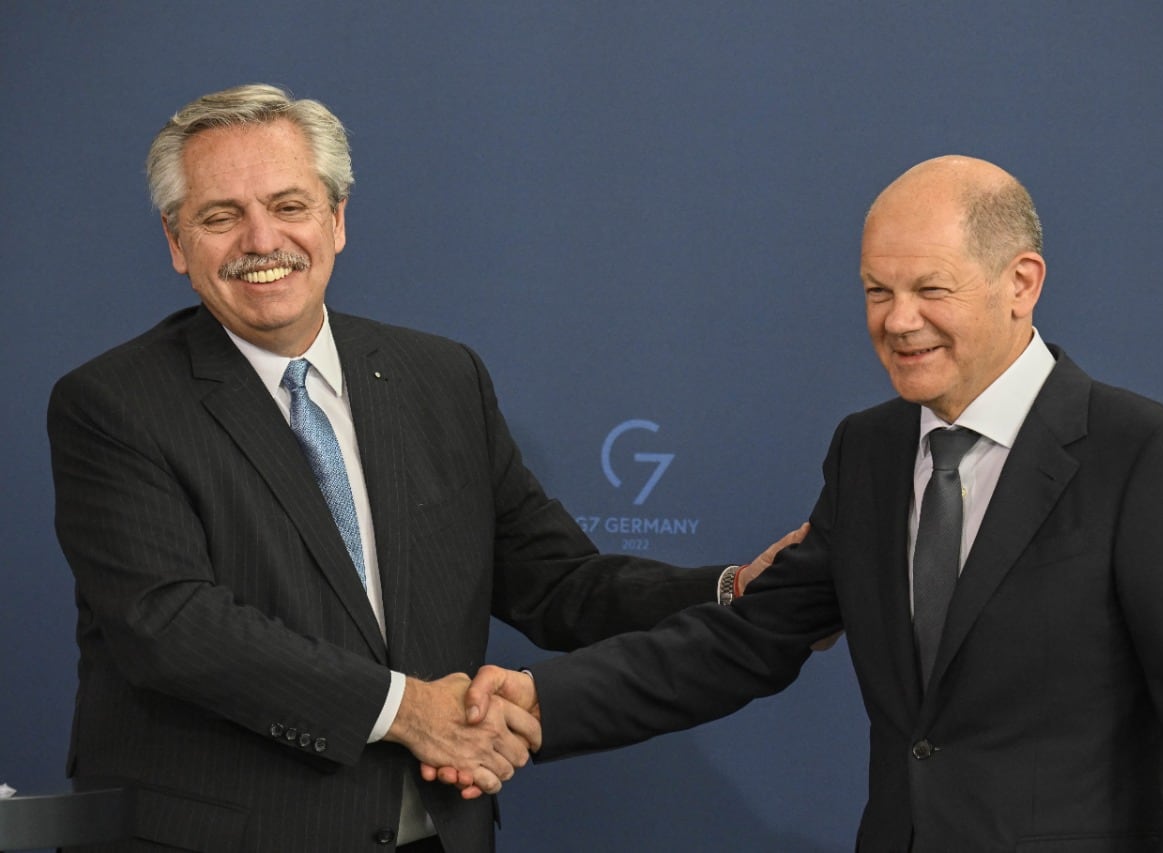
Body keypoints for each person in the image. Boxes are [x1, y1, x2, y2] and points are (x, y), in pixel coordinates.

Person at [46, 83, 801, 853]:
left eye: (289, 205)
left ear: (337, 220)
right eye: (220, 216)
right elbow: (174, 628)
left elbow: (558, 581)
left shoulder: (440, 378)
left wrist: (731, 590)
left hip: (433, 832)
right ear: (177, 243)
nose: (260, 239)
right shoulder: (114, 405)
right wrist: (408, 709)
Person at [461, 155, 1163, 851]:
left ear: (1021, 283)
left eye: (929, 289)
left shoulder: (1144, 453)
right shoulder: (870, 450)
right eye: (876, 290)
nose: (898, 321)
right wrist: (542, 702)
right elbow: (747, 639)